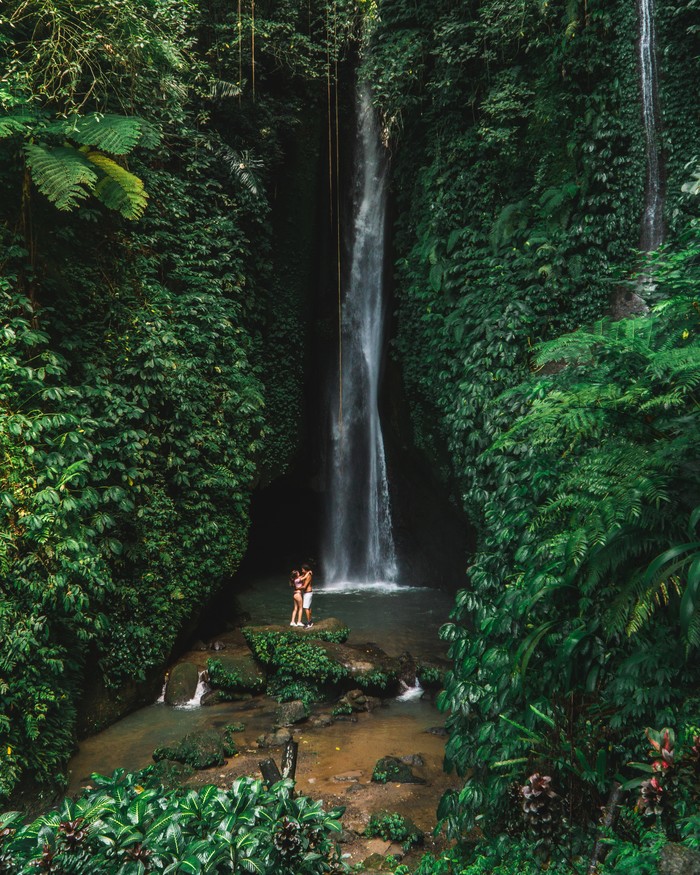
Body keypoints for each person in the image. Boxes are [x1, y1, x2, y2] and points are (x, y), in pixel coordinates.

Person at [299, 563, 314, 628]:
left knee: (306, 608)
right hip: (306, 593)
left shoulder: (308, 576)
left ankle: (309, 623)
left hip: (308, 593)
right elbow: (299, 578)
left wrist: (297, 588)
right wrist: (307, 572)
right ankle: (310, 621)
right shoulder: (306, 574)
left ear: (306, 570)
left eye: (302, 570)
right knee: (309, 608)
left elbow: (305, 586)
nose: (302, 571)